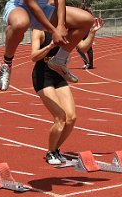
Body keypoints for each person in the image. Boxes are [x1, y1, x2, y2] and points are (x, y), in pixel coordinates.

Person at [32, 16, 104, 164]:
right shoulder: (39, 31)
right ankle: (50, 153)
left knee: (71, 118)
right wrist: (50, 46)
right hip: (42, 77)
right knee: (60, 117)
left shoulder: (66, 30)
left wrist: (92, 32)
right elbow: (33, 56)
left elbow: (83, 47)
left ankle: (56, 149)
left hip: (59, 75)